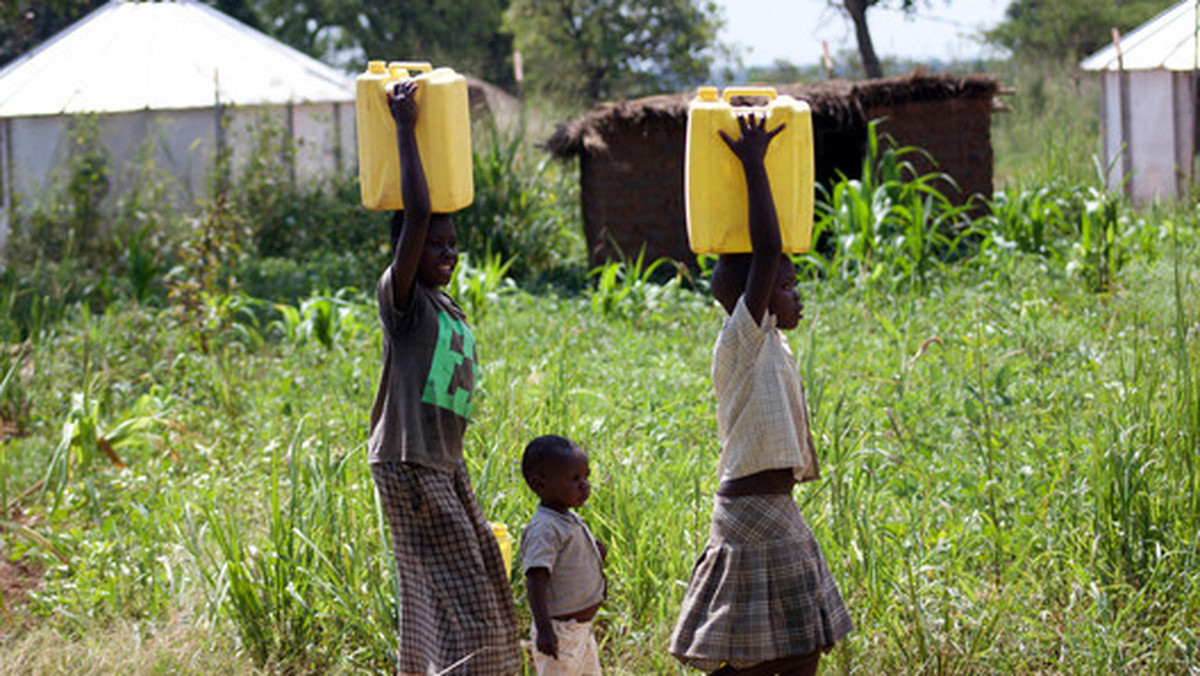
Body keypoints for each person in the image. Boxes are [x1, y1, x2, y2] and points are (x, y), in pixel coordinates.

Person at [669, 114, 853, 676]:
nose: (798, 294)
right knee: (756, 655)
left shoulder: (773, 344)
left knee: (800, 647)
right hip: (750, 515)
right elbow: (767, 246)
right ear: (755, 294)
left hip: (777, 510)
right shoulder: (742, 337)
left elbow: (769, 257)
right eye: (787, 283)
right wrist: (754, 164)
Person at [368, 78, 520, 675]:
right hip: (409, 463)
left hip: (443, 464)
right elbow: (420, 212)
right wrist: (406, 128)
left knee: (476, 572)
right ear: (407, 248)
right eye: (434, 245)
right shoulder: (401, 300)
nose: (448, 254)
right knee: (461, 596)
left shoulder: (446, 306)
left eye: (454, 246)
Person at [519, 435, 607, 675]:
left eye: (586, 476)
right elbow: (536, 578)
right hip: (559, 633)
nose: (585, 485)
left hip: (581, 631)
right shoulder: (545, 528)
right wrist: (544, 628)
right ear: (540, 485)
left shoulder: (568, 519)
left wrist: (596, 556)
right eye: (574, 478)